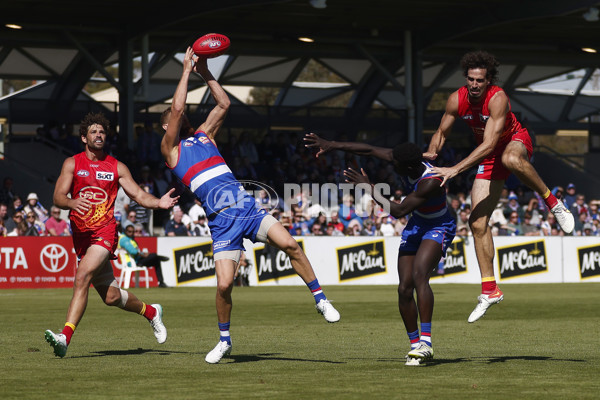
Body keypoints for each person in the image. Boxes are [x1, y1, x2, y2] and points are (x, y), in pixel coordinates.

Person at [160, 47, 340, 364]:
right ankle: (225, 340)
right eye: (177, 118)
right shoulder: (170, 151)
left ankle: (320, 299)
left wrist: (204, 71)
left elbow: (224, 103)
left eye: (184, 116)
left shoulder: (204, 135)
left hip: (247, 210)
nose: (182, 116)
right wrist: (186, 70)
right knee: (225, 286)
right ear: (166, 129)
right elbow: (175, 110)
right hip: (221, 224)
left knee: (292, 245)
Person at [423, 50, 574, 322]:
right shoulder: (456, 99)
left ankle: (552, 201)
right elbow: (442, 132)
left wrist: (455, 169)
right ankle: (490, 290)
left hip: (512, 141)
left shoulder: (498, 98)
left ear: (488, 80)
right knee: (477, 223)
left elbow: (492, 143)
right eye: (470, 79)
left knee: (510, 157)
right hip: (488, 154)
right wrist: (432, 153)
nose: (474, 84)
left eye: (480, 80)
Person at [305, 135, 455, 365]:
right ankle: (415, 346)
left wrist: (369, 188)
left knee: (419, 276)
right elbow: (369, 149)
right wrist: (332, 145)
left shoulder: (431, 180)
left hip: (438, 225)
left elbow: (398, 211)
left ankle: (427, 343)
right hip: (417, 224)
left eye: (396, 164)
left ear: (408, 166)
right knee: (404, 288)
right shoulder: (407, 160)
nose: (391, 164)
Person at [44, 112, 179, 358]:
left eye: (102, 132)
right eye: (94, 131)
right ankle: (151, 312)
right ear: (84, 137)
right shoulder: (72, 163)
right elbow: (57, 198)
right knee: (111, 296)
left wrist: (159, 203)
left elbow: (138, 195)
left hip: (105, 233)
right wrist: (72, 203)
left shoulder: (117, 167)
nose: (99, 135)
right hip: (82, 238)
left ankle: (65, 337)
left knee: (82, 275)